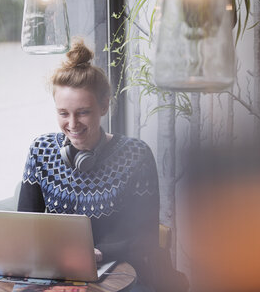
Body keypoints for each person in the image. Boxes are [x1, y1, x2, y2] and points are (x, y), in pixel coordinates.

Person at [17, 38, 160, 289]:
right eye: (63, 113)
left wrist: (98, 253)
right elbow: (24, 226)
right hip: (57, 272)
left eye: (82, 112)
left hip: (120, 272)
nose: (72, 124)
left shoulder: (137, 155)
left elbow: (145, 237)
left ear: (104, 106)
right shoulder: (40, 151)